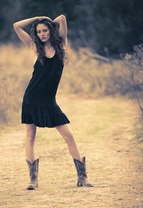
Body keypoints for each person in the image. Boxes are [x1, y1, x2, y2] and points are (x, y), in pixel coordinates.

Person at [13, 15, 93, 190]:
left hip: (49, 102)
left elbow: (63, 18)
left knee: (69, 136)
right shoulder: (34, 48)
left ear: (50, 30)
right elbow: (17, 26)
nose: (42, 34)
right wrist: (38, 18)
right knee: (30, 136)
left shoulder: (61, 46)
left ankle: (82, 177)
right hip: (31, 98)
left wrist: (48, 20)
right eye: (39, 31)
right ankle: (33, 180)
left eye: (45, 30)